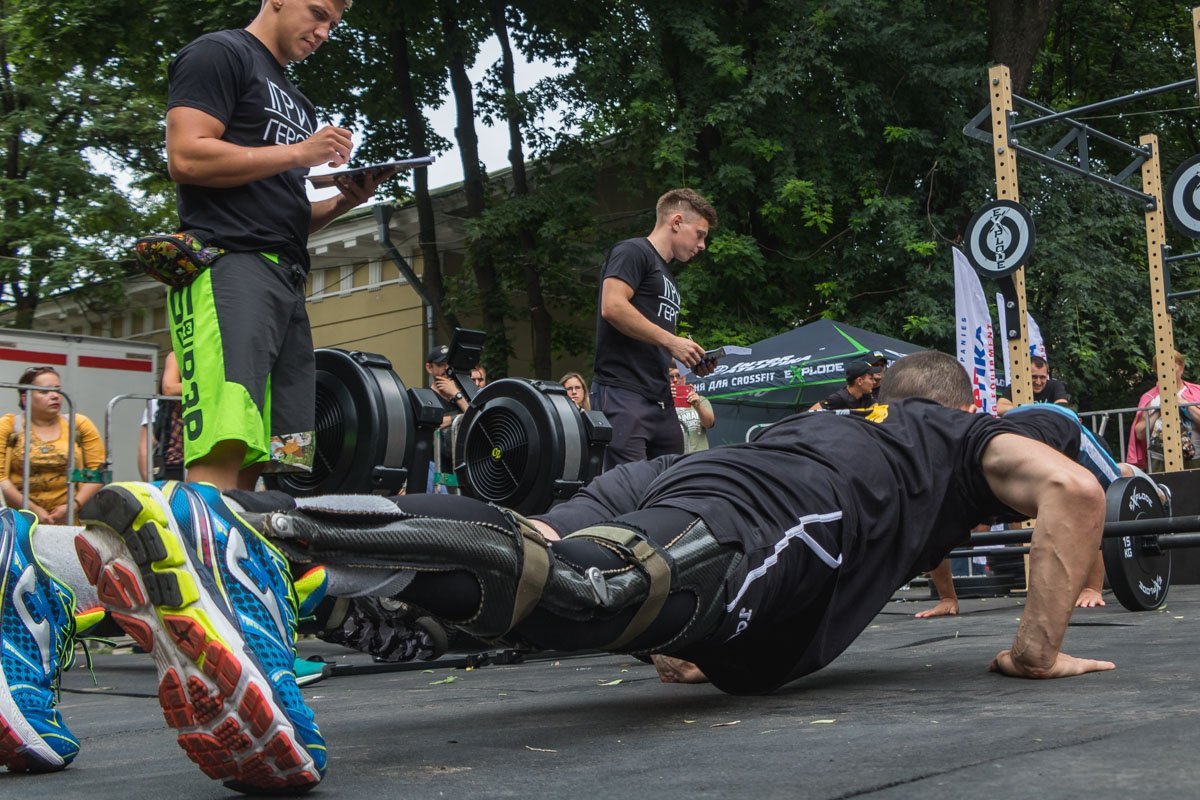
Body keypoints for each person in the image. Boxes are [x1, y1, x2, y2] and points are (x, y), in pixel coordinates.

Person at [2, 351, 1118, 790]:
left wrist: (712, 636)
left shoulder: (866, 436)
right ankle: (245, 527)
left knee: (537, 578)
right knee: (590, 591)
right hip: (768, 505)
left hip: (699, 482)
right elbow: (1073, 493)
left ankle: (56, 575)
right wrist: (1038, 645)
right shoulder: (967, 443)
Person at [166, 0, 391, 492]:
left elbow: (281, 213)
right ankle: (201, 561)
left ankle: (239, 559)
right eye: (317, 12)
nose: (324, 31)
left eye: (333, 23)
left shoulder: (299, 101)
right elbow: (186, 156)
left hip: (287, 278)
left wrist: (342, 203)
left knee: (272, 449)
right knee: (223, 437)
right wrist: (301, 151)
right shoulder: (218, 52)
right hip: (227, 269)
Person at [591, 188, 717, 469]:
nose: (702, 245)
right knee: (629, 491)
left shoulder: (667, 276)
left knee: (671, 484)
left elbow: (652, 341)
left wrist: (689, 360)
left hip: (660, 398)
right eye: (700, 234)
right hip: (623, 393)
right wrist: (673, 341)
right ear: (676, 222)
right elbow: (612, 306)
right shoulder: (632, 251)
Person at [0, 367, 106, 524]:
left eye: (58, 390)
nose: (55, 396)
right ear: (25, 398)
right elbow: (1, 477)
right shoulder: (9, 426)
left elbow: (98, 473)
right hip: (20, 520)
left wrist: (73, 505)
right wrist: (32, 509)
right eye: (44, 391)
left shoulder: (78, 425)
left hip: (70, 519)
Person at [1126, 350, 1200, 470]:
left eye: (1173, 365)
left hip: (1195, 458)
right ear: (1156, 371)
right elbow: (1139, 434)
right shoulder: (1149, 398)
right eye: (1162, 366)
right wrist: (1158, 410)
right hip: (1159, 461)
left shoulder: (1197, 392)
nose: (1167, 370)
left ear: (1181, 367)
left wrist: (1186, 405)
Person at [138, 352, 185, 482]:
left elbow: (144, 449)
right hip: (174, 469)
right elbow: (145, 448)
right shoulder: (158, 403)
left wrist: (151, 485)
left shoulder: (157, 403)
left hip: (171, 469)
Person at [995, 356, 1070, 414]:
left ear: (1047, 375)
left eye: (1042, 377)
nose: (1038, 382)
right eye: (1034, 377)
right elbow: (999, 408)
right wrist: (1027, 408)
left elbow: (1062, 407)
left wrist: (1025, 410)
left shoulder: (1055, 386)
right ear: (1026, 375)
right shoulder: (1016, 387)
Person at [669, 366, 715, 452]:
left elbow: (709, 424)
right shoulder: (662, 403)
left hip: (698, 458)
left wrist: (698, 406)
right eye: (671, 377)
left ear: (685, 378)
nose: (675, 380)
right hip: (674, 458)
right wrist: (666, 400)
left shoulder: (700, 399)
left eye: (679, 376)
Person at [811, 358, 881, 411]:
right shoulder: (838, 398)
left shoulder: (866, 396)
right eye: (871, 378)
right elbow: (810, 413)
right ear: (859, 381)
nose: (874, 382)